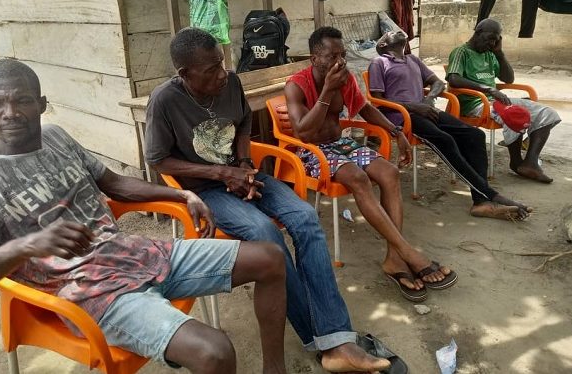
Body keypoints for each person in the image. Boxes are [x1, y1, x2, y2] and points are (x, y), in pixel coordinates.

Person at [0, 59, 289, 374]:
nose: (10, 113)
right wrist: (28, 246)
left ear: (42, 103)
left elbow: (115, 184)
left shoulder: (56, 138)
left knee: (270, 258)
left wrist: (182, 194)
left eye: (22, 100)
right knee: (214, 352)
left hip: (134, 254)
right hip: (87, 292)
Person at [145, 27, 392, 373]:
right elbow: (158, 161)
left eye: (222, 63)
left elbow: (245, 122)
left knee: (305, 217)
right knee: (265, 233)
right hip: (205, 189)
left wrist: (244, 163)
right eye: (212, 69)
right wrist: (221, 174)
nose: (222, 74)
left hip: (244, 174)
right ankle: (324, 341)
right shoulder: (164, 101)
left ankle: (336, 340)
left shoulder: (230, 82)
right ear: (184, 74)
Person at [284, 26, 458, 302]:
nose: (340, 61)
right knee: (358, 178)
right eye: (332, 56)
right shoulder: (296, 85)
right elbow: (303, 132)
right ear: (314, 58)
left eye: (342, 54)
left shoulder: (344, 78)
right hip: (310, 151)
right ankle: (407, 252)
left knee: (389, 172)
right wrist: (327, 90)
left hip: (340, 144)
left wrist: (396, 132)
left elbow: (365, 108)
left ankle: (394, 258)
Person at [368, 30, 532, 221]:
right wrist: (415, 107)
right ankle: (489, 195)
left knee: (475, 135)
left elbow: (438, 83)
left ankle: (480, 201)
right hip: (402, 117)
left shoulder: (412, 60)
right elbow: (378, 101)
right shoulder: (379, 63)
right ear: (382, 45)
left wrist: (428, 99)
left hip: (426, 110)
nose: (395, 31)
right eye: (388, 33)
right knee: (445, 140)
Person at [446, 18, 561, 183]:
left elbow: (508, 78)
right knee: (515, 113)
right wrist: (488, 89)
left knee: (547, 113)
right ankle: (516, 162)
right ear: (478, 33)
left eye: (496, 40)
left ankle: (530, 162)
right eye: (489, 38)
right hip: (475, 104)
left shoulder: (490, 54)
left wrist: (499, 54)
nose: (492, 43)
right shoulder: (461, 52)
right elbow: (453, 79)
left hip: (496, 101)